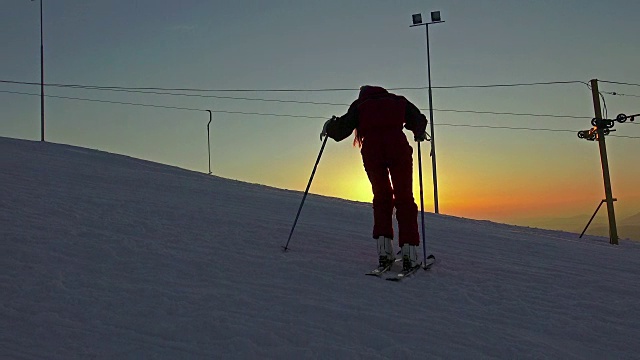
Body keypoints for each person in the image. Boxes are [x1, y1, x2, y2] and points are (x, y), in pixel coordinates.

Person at [320, 85, 428, 271]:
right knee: (404, 197)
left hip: (372, 150)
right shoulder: (397, 100)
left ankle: (384, 252)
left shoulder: (361, 104)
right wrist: (418, 133)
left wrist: (330, 126)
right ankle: (410, 252)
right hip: (397, 147)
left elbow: (341, 131)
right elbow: (418, 119)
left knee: (382, 197)